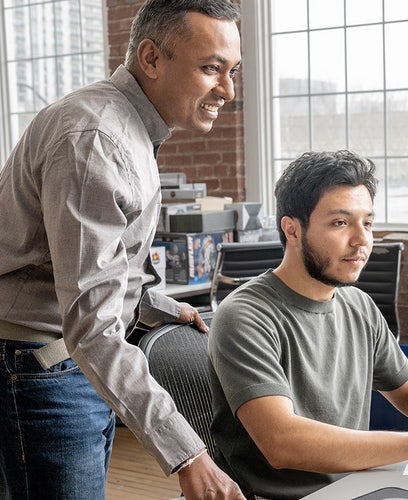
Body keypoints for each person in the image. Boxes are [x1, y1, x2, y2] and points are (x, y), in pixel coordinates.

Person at [0, 1, 245, 499]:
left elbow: (95, 260)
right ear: (152, 58)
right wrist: (189, 455)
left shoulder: (128, 127)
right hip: (43, 364)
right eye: (210, 68)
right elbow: (91, 325)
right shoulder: (96, 140)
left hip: (67, 357)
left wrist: (155, 304)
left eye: (232, 70)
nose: (228, 90)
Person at [208, 150, 408, 499]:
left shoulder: (358, 304)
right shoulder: (245, 316)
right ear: (292, 229)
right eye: (341, 223)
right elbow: (282, 442)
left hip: (356, 486)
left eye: (368, 223)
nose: (362, 240)